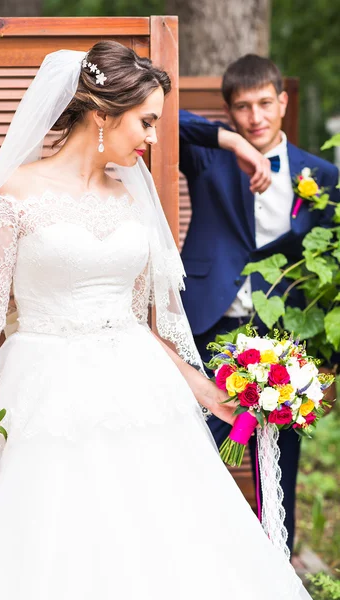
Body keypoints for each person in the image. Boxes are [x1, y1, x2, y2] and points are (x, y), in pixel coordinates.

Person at [0, 42, 312, 599]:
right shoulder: (17, 193)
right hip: (42, 389)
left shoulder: (132, 200)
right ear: (101, 114)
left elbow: (139, 322)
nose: (154, 137)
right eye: (146, 121)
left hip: (138, 389)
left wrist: (207, 392)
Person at [179, 54, 340, 556]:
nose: (256, 116)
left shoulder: (323, 173)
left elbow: (326, 258)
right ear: (230, 112)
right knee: (197, 440)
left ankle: (277, 554)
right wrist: (231, 143)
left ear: (283, 101)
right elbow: (166, 117)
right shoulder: (209, 156)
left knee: (280, 449)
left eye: (265, 103)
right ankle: (194, 549)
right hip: (210, 323)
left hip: (283, 332)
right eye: (243, 108)